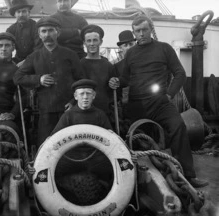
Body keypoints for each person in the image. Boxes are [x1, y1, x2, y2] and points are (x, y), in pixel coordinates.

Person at [109, 15, 208, 188]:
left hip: (161, 103)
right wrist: (116, 81)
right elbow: (125, 78)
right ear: (134, 33)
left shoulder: (164, 49)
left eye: (144, 30)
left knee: (178, 127)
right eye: (138, 31)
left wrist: (169, 94)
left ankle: (189, 175)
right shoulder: (131, 53)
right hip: (137, 105)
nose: (141, 34)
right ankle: (143, 182)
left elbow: (180, 73)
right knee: (139, 141)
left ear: (151, 30)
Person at [13, 16, 84, 147]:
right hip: (46, 112)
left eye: (51, 30)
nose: (47, 34)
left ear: (58, 33)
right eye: (43, 31)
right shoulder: (34, 57)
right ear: (39, 35)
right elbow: (18, 77)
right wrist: (38, 79)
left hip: (68, 110)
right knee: (46, 146)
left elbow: (81, 80)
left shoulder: (70, 55)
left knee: (71, 145)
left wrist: (74, 102)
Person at [80, 24, 116, 117]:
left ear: (100, 42)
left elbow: (113, 92)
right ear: (84, 43)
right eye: (89, 41)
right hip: (83, 113)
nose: (92, 44)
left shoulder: (108, 66)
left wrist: (115, 83)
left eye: (95, 40)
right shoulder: (79, 65)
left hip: (103, 112)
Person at [109, 30, 136, 118]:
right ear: (121, 48)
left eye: (131, 44)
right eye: (125, 45)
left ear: (135, 44)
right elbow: (116, 91)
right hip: (126, 107)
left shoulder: (145, 62)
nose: (128, 47)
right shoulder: (116, 67)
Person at [6, 0, 41, 64]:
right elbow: (7, 48)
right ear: (15, 14)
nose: (21, 15)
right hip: (18, 60)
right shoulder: (11, 30)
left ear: (29, 13)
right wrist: (9, 61)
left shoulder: (36, 27)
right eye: (18, 12)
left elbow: (38, 50)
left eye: (24, 11)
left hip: (35, 61)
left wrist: (25, 62)